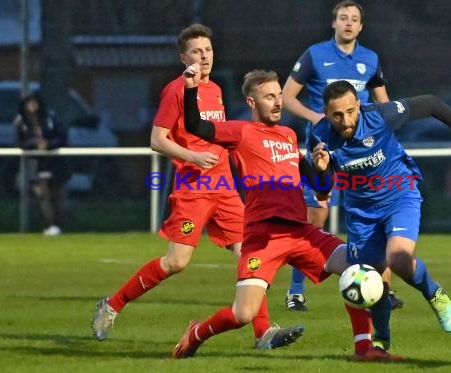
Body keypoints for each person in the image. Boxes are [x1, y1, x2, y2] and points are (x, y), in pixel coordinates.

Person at [91, 24, 301, 350]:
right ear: (182, 57)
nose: (204, 57)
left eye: (208, 51)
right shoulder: (176, 90)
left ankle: (263, 333)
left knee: (250, 255)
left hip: (225, 188)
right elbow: (157, 140)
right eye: (196, 52)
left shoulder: (215, 89)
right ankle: (112, 304)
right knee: (176, 262)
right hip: (193, 187)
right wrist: (192, 155)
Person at [173, 66, 404, 362]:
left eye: (280, 95)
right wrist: (191, 89)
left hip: (300, 231)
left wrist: (321, 171)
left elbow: (320, 186)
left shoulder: (286, 135)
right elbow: (197, 127)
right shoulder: (241, 131)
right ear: (252, 103)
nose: (278, 102)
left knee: (356, 267)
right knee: (243, 313)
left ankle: (365, 348)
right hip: (263, 235)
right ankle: (196, 334)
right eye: (269, 96)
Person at [309, 80, 451, 350]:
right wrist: (322, 171)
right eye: (337, 115)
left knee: (400, 259)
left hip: (399, 195)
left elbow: (429, 102)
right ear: (326, 112)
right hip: (361, 212)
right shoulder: (319, 136)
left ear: (358, 104)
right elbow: (323, 193)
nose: (345, 120)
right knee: (373, 277)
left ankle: (434, 293)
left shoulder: (381, 116)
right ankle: (381, 338)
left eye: (350, 111)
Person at [282, 0, 403, 311]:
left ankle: (382, 288)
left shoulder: (370, 59)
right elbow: (286, 97)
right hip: (326, 150)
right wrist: (316, 119)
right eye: (343, 18)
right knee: (315, 218)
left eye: (354, 19)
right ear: (333, 23)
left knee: (379, 217)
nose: (348, 23)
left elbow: (383, 103)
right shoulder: (315, 55)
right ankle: (296, 291)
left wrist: (386, 140)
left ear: (361, 26)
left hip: (363, 152)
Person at [14, 93, 67, 236]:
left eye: (34, 102)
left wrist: (48, 144)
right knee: (43, 193)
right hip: (35, 163)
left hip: (53, 162)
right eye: (29, 103)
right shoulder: (21, 122)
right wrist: (35, 145)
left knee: (55, 193)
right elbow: (20, 142)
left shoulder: (50, 119)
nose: (32, 105)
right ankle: (50, 225)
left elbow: (62, 137)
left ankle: (55, 225)